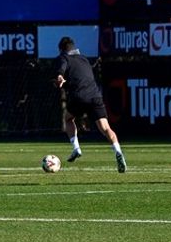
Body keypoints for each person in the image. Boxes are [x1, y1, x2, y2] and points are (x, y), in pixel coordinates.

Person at [54, 37, 126, 173]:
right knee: (106, 128)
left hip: (79, 97)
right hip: (95, 96)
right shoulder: (84, 59)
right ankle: (118, 151)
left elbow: (62, 70)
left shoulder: (63, 57)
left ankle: (76, 148)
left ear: (62, 50)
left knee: (68, 118)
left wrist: (59, 77)